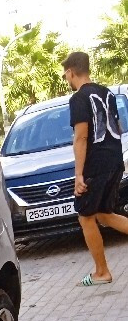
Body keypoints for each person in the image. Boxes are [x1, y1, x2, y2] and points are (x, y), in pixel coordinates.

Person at [62, 51, 128, 286]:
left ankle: (102, 272)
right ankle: (101, 270)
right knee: (103, 214)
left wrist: (79, 175)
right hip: (114, 161)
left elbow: (81, 137)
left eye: (65, 75)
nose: (66, 79)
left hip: (96, 165)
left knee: (86, 216)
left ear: (71, 71)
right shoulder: (107, 92)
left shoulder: (79, 98)